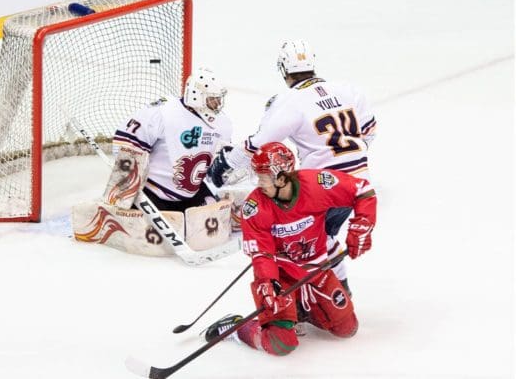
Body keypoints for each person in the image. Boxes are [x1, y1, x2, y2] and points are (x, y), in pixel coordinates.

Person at [207, 39, 377, 294]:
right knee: (325, 235)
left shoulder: (289, 101)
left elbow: (262, 141)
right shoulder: (348, 90)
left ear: (284, 69)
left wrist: (228, 162)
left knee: (303, 238)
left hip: (321, 187)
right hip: (358, 179)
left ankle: (326, 293)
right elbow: (369, 132)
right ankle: (337, 290)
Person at [203, 142, 377, 356]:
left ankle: (302, 311)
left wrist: (362, 226)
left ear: (282, 177)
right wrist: (268, 282)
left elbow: (363, 190)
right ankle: (237, 328)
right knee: (281, 344)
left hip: (316, 268)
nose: (259, 184)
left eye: (264, 178)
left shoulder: (316, 184)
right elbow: (262, 254)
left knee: (347, 328)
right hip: (280, 275)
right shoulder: (255, 207)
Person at [106, 67, 232, 212]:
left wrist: (226, 169)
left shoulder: (222, 122)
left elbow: (216, 167)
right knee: (146, 229)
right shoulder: (164, 111)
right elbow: (126, 144)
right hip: (152, 190)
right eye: (212, 99)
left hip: (190, 192)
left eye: (219, 98)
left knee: (216, 218)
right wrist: (126, 188)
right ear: (196, 95)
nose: (217, 104)